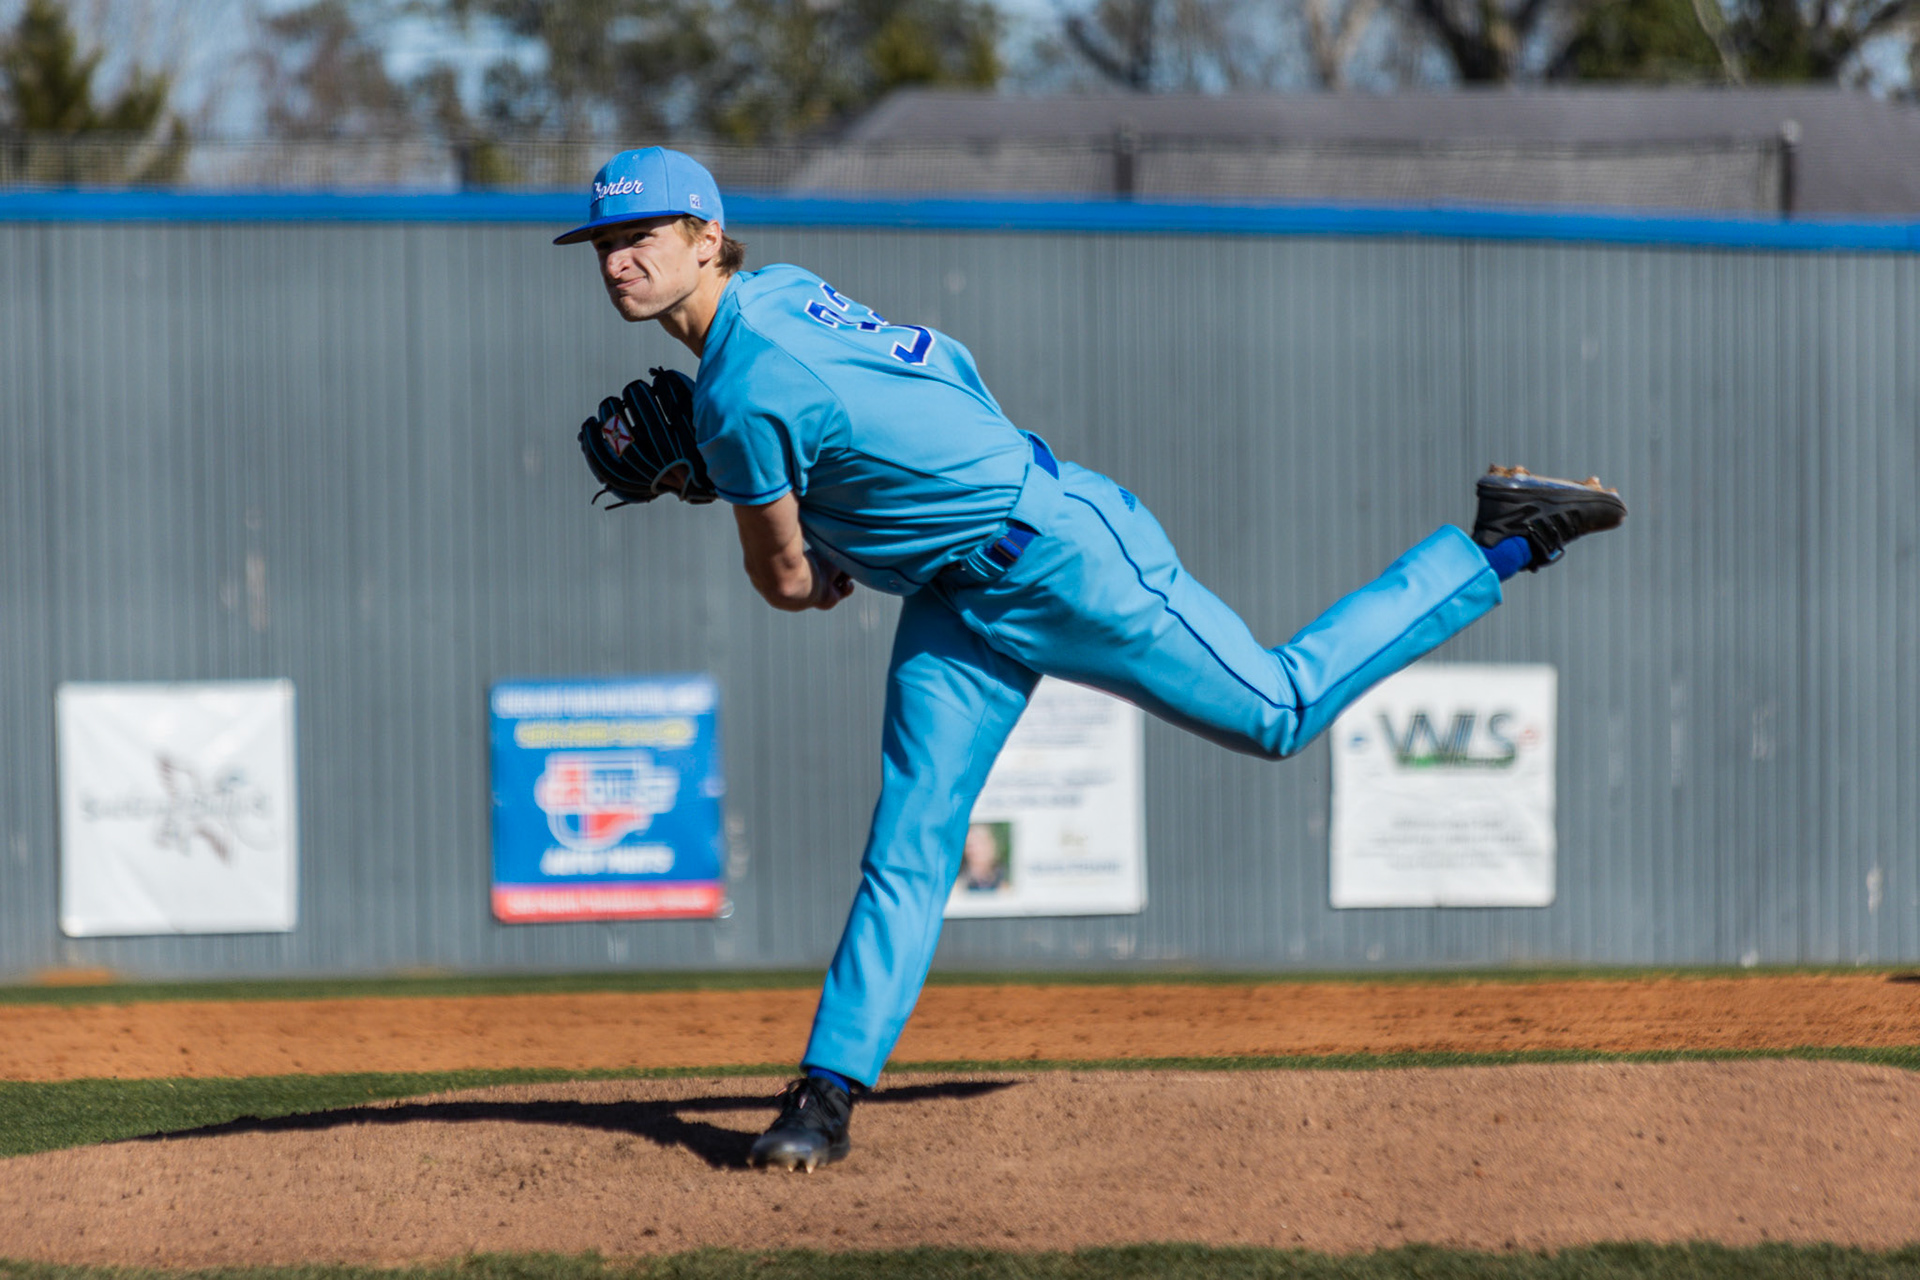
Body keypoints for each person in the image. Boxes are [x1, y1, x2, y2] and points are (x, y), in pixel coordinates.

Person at [554, 147, 1625, 1173]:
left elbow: (788, 586)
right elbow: (933, 389)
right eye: (602, 240)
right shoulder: (786, 292)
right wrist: (824, 522)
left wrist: (735, 496)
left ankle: (1500, 542)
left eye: (641, 233)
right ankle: (825, 1092)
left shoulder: (742, 393)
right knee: (910, 837)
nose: (617, 260)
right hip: (955, 594)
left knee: (1278, 710)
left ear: (707, 236)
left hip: (1062, 556)